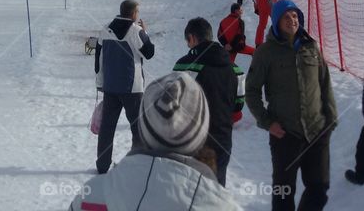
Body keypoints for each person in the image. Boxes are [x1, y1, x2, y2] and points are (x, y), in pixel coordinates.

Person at [69, 73, 241, 210]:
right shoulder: (221, 205)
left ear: (143, 126)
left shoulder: (90, 197)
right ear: (201, 132)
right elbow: (148, 50)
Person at [246, 0, 337, 211]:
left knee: (319, 188)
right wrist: (267, 123)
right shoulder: (265, 53)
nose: (292, 20)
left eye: (295, 15)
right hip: (285, 134)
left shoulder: (311, 47)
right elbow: (251, 91)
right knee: (283, 192)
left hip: (316, 131)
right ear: (276, 21)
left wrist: (330, 120)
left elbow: (325, 84)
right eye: (286, 17)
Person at [173, 18, 237, 186]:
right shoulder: (234, 67)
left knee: (192, 189)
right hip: (223, 137)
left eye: (188, 41)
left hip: (194, 138)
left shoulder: (185, 65)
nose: (188, 46)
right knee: (217, 187)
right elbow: (238, 105)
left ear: (192, 38)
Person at [94, 0, 155, 174]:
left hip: (111, 87)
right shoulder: (136, 32)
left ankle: (102, 165)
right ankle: (141, 164)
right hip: (132, 88)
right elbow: (149, 53)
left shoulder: (105, 30)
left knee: (107, 128)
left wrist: (100, 83)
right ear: (133, 13)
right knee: (137, 127)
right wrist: (145, 32)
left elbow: (98, 60)